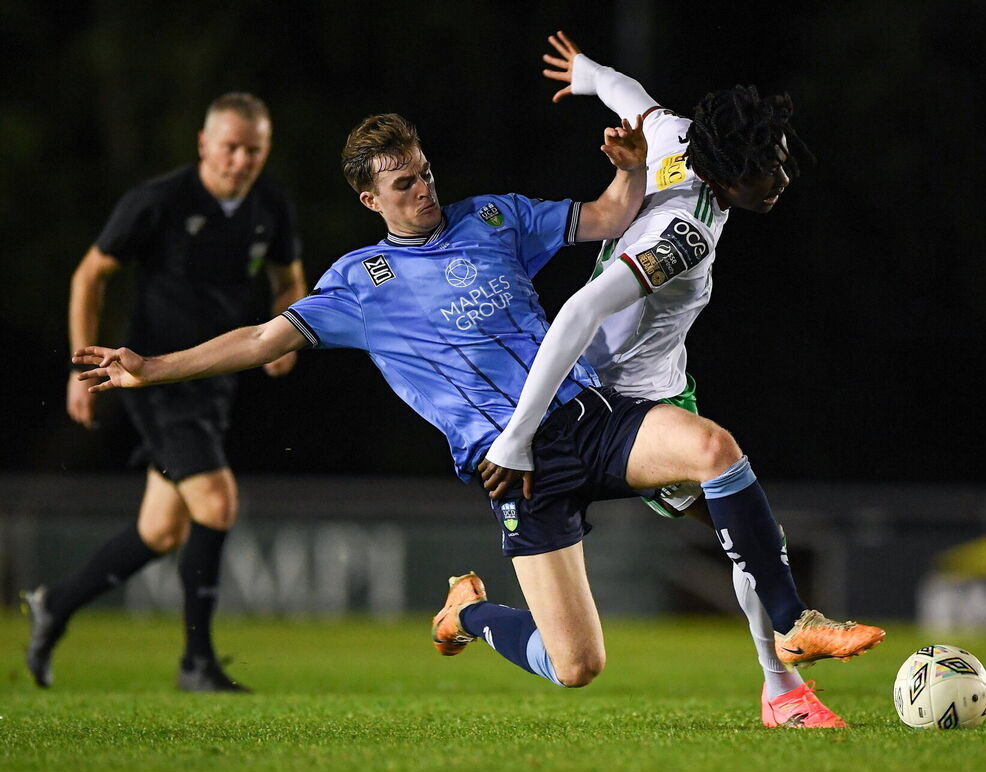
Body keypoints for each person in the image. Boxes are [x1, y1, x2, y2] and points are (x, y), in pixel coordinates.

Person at [70, 110, 883, 703]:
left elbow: (605, 216)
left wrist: (632, 169)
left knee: (714, 449)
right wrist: (153, 366)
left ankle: (790, 622)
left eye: (424, 171)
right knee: (576, 668)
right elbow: (258, 339)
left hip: (585, 419)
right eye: (403, 183)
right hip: (511, 470)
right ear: (369, 200)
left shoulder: (491, 217)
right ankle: (469, 611)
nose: (424, 190)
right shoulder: (359, 282)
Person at [479, 31, 842, 728]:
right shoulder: (686, 231)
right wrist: (517, 436)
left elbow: (632, 99)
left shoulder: (681, 138)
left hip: (662, 391)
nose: (782, 178)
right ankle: (784, 690)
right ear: (729, 177)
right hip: (623, 407)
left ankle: (784, 686)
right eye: (769, 168)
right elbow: (581, 309)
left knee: (754, 536)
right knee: (752, 535)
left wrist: (587, 73)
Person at [23, 92, 305, 693]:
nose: (240, 160)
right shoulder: (159, 201)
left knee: (162, 531)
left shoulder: (270, 204)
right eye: (229, 146)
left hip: (213, 381)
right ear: (204, 144)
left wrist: (285, 334)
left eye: (253, 149)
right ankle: (195, 664)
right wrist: (83, 366)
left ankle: (56, 604)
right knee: (217, 502)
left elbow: (289, 281)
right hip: (151, 379)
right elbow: (90, 275)